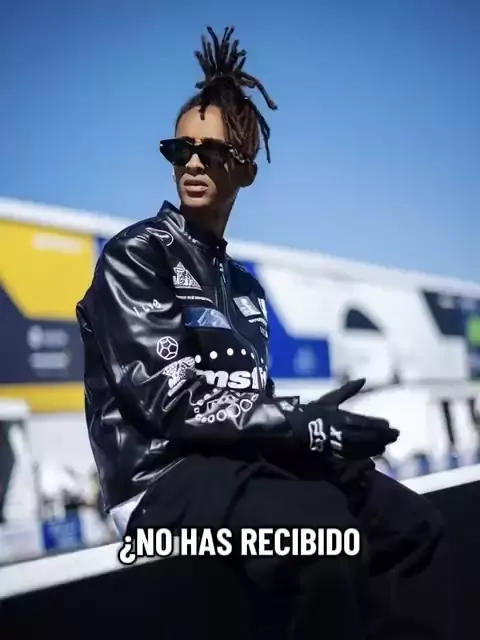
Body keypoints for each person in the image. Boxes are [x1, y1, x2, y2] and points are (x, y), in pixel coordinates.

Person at [76, 26, 452, 640]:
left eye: (211, 151)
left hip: (239, 469)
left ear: (246, 170)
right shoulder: (136, 255)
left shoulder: (247, 289)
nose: (192, 162)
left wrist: (313, 425)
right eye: (180, 149)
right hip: (159, 487)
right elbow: (171, 402)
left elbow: (247, 403)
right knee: (320, 531)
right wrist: (298, 423)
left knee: (413, 523)